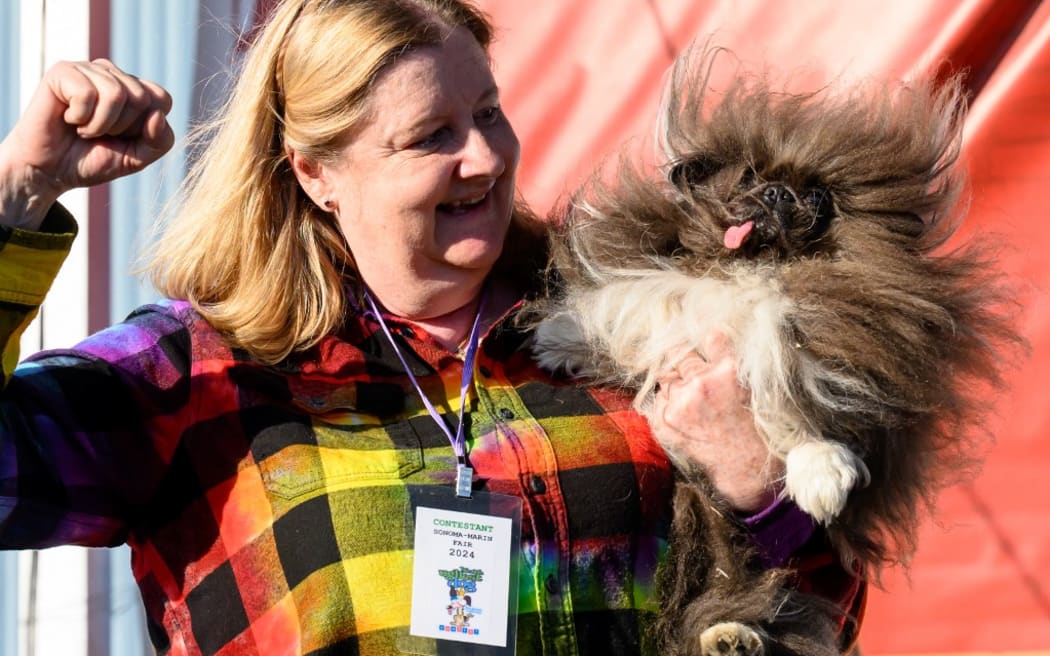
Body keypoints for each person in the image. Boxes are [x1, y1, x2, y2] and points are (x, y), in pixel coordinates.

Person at [0, 0, 863, 654]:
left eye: (488, 112)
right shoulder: (198, 377)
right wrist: (15, 194)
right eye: (429, 137)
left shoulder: (631, 326)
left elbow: (823, 614)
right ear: (315, 172)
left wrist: (763, 493)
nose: (484, 158)